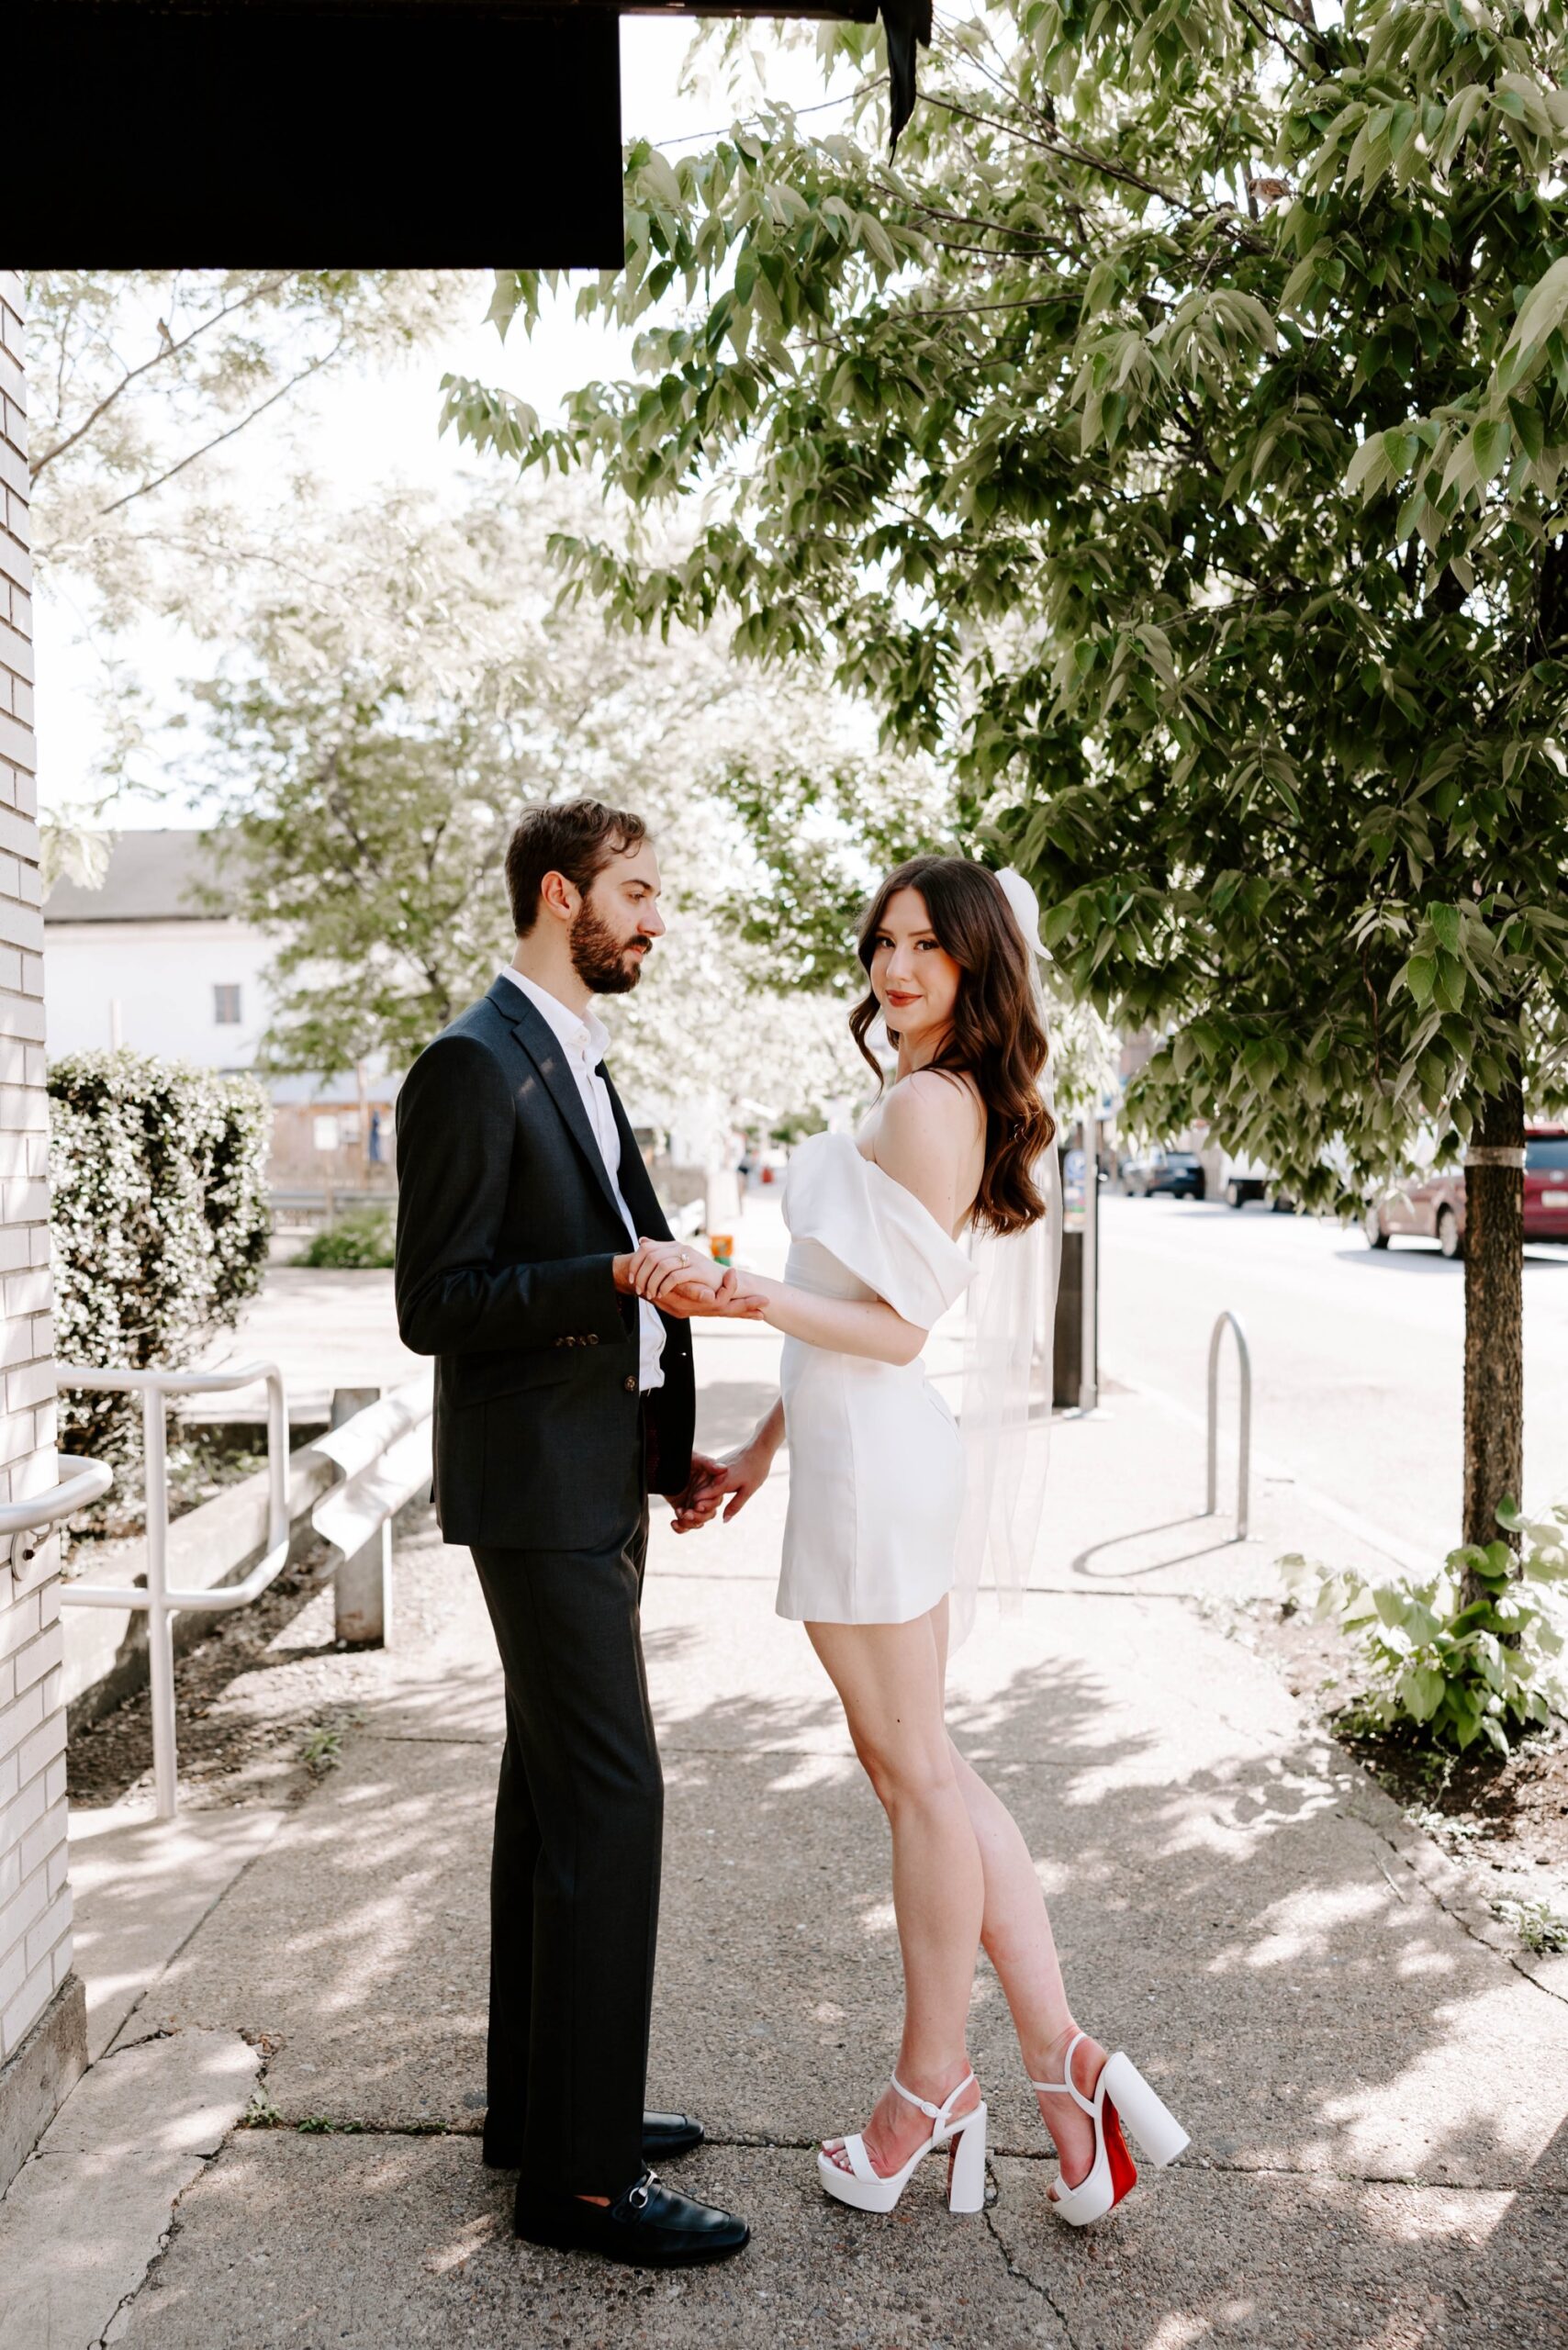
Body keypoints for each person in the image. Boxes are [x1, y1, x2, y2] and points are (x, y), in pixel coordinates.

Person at [633, 858, 1189, 2228]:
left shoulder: (931, 1102)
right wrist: (763, 1451)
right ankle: (1070, 2076)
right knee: (927, 1771)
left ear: (977, 964)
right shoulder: (933, 1093)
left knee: (916, 1781)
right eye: (885, 943)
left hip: (881, 1470)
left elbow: (891, 1332)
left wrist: (738, 1293)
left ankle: (933, 2086)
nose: (896, 970)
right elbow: (855, 1306)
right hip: (856, 1459)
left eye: (929, 949)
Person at [394, 798, 753, 2269]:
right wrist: (608, 1270)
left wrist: (675, 1454)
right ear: (562, 895)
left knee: (551, 1797)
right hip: (534, 1496)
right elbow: (440, 1305)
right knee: (614, 1802)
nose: (657, 919)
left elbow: (638, 1293)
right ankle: (585, 2187)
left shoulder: (582, 1064)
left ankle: (540, 2115)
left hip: (598, 1480)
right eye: (639, 891)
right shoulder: (473, 1065)